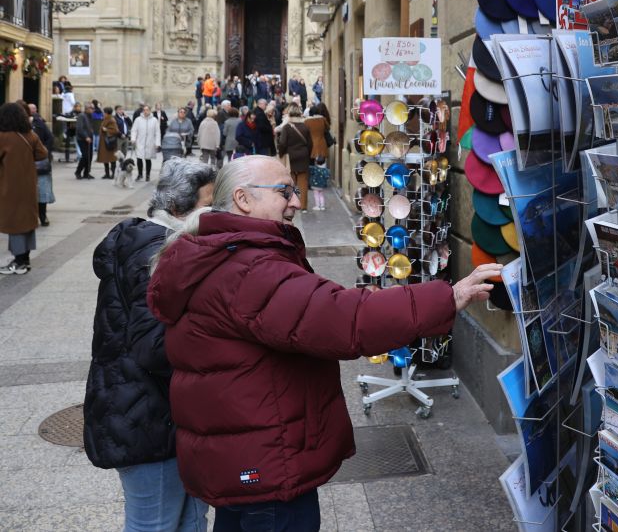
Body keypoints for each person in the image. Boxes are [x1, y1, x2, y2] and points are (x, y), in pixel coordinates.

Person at [146, 156, 500, 529]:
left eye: (295, 191)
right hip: (266, 465)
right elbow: (345, 317)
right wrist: (448, 297)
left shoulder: (220, 252)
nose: (296, 202)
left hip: (244, 458)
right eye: (284, 192)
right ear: (243, 199)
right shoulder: (249, 268)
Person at [84, 159, 216, 532]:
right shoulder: (155, 254)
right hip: (145, 418)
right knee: (155, 524)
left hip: (160, 414)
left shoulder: (162, 244)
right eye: (209, 202)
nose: (216, 211)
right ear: (177, 208)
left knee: (191, 519)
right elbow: (155, 347)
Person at [0, 102, 48, 274]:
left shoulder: (3, 137)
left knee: (14, 223)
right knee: (26, 222)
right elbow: (42, 154)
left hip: (9, 187)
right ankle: (25, 260)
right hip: (28, 185)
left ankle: (19, 262)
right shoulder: (30, 135)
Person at [276, 107, 312, 213]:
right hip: (303, 156)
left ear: (290, 116)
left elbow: (282, 143)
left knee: (290, 182)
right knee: (303, 183)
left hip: (291, 157)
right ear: (300, 116)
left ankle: (290, 205)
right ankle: (304, 207)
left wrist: (281, 153)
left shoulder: (287, 127)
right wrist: (307, 154)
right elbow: (310, 144)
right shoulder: (305, 127)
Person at [28, 103, 54, 227]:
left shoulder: (39, 122)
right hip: (27, 164)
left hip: (39, 164)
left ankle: (42, 216)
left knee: (42, 191)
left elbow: (49, 137)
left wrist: (45, 151)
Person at [132, 105, 161, 181]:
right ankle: (140, 174)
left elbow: (157, 132)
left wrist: (157, 143)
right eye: (144, 110)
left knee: (148, 159)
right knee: (139, 158)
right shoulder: (138, 120)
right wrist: (133, 139)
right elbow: (134, 130)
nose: (145, 111)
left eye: (147, 110)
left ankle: (147, 175)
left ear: (150, 111)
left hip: (150, 142)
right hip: (140, 142)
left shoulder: (154, 120)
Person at [98, 107, 120, 179]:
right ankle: (107, 174)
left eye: (104, 112)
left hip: (109, 143)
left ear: (107, 113)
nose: (103, 113)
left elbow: (115, 131)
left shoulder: (111, 120)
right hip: (105, 143)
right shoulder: (106, 119)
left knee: (112, 159)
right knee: (105, 159)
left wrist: (106, 130)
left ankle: (113, 174)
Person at [74, 102, 95, 180]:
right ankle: (78, 172)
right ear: (87, 108)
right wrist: (86, 137)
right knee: (85, 156)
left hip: (90, 138)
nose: (93, 110)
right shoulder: (81, 116)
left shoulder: (90, 116)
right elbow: (80, 128)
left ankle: (86, 173)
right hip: (82, 139)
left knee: (90, 156)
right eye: (92, 108)